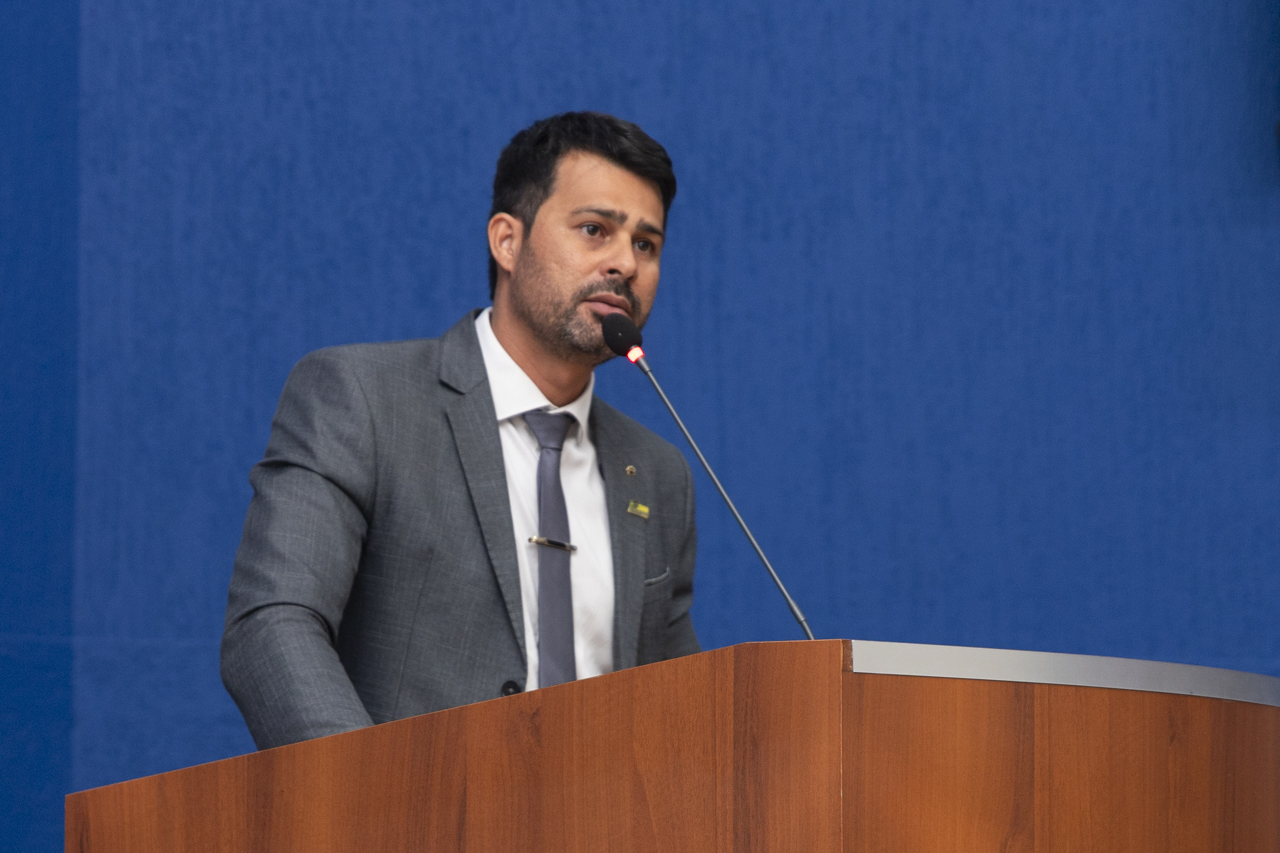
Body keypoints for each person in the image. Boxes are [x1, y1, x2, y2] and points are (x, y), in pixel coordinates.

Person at [221, 112, 700, 750]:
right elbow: (273, 625)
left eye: (646, 245)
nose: (624, 264)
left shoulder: (658, 473)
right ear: (507, 241)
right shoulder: (364, 402)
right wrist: (372, 796)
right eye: (595, 230)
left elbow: (673, 705)